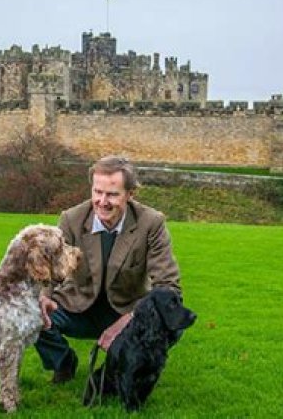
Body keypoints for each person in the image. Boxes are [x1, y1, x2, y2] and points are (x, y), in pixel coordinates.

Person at [35, 155, 182, 384]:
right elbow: (51, 271)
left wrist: (130, 320)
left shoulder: (151, 223)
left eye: (112, 194)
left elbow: (169, 287)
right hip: (77, 305)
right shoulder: (71, 219)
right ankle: (63, 362)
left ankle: (121, 369)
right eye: (97, 192)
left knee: (172, 321)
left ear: (130, 194)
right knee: (31, 313)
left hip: (127, 309)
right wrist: (43, 297)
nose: (102, 202)